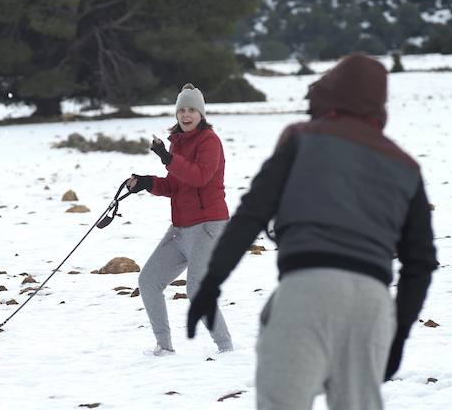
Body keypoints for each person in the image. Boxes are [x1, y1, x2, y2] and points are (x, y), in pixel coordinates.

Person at [187, 54, 438, 410]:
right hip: (372, 302)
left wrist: (212, 282)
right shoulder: (406, 166)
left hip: (308, 288)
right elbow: (421, 262)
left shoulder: (301, 139)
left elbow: (252, 213)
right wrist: (396, 339)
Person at [127, 83, 234, 356]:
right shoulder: (178, 143)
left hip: (209, 226)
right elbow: (176, 186)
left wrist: (166, 157)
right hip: (180, 229)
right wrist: (146, 183)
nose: (186, 115)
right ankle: (164, 346)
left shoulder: (209, 141)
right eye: (182, 110)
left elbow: (199, 177)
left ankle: (226, 349)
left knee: (196, 288)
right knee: (148, 281)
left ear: (201, 114)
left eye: (192, 110)